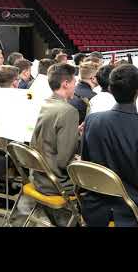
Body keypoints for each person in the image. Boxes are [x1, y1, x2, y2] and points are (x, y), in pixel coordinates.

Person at [81, 64, 138, 226]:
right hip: (134, 210)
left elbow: (86, 163)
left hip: (95, 206)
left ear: (111, 90)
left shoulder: (92, 120)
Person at [30, 63, 79, 196]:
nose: (76, 86)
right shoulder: (69, 111)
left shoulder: (44, 103)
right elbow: (64, 161)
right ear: (66, 84)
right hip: (57, 183)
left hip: (39, 177)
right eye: (75, 82)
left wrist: (74, 132)